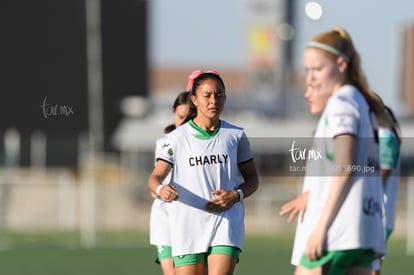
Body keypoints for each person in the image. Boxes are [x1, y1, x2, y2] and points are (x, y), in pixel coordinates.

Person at [279, 27, 396, 275]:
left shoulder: (341, 103)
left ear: (341, 64)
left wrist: (321, 227)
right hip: (365, 230)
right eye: (307, 70)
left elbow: (346, 166)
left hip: (338, 231)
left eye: (317, 69)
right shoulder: (363, 104)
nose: (310, 78)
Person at [148, 70, 259, 275]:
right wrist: (162, 189)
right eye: (207, 95)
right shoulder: (176, 138)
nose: (213, 100)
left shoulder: (236, 135)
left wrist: (236, 196)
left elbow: (253, 179)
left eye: (219, 95)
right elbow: (155, 178)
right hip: (187, 225)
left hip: (225, 221)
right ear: (194, 100)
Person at [149, 91, 195, 275]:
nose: (183, 122)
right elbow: (155, 181)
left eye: (188, 117)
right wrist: (160, 190)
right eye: (180, 116)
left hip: (191, 217)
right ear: (173, 113)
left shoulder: (199, 145)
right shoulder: (164, 143)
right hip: (165, 216)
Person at [372, 105, 401, 275]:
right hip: (376, 213)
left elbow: (381, 175)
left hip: (379, 213)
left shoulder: (386, 138)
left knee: (372, 268)